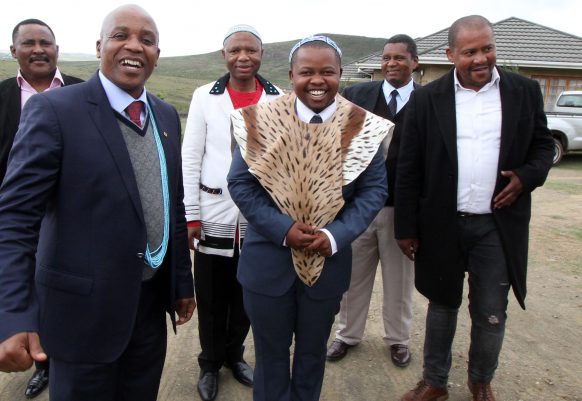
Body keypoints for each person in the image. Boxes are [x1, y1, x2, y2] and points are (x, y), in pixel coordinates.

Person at [0, 5, 196, 401]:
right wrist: (9, 316)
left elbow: (171, 204)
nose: (134, 46)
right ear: (100, 46)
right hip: (80, 316)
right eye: (121, 36)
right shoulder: (56, 111)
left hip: (147, 312)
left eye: (147, 40)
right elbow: (12, 222)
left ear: (157, 55)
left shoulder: (165, 116)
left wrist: (182, 281)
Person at [395, 15, 553, 401]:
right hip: (442, 225)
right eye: (470, 52)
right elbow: (408, 165)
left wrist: (527, 177)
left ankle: (481, 381)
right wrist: (406, 226)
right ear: (450, 55)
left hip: (497, 227)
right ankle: (435, 381)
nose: (481, 58)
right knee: (442, 304)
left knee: (490, 310)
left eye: (488, 48)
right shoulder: (427, 98)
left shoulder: (524, 91)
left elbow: (544, 146)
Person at [227, 35, 393, 401]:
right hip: (267, 264)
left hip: (328, 265)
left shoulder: (363, 126)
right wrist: (283, 229)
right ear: (291, 75)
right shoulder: (259, 120)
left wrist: (335, 235)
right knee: (269, 359)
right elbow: (240, 183)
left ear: (340, 75)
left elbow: (374, 191)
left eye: (327, 72)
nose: (317, 80)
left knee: (312, 356)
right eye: (307, 72)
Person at [0, 19, 83, 399]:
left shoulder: (81, 91)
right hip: (19, 221)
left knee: (63, 291)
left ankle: (68, 357)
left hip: (70, 222)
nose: (39, 49)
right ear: (13, 51)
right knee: (29, 291)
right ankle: (43, 364)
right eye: (29, 43)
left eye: (46, 43)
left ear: (56, 49)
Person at [182, 24, 281, 401]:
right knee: (210, 296)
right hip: (213, 211)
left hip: (259, 217)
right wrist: (191, 215)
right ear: (224, 55)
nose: (244, 57)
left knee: (247, 295)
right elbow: (191, 157)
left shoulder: (279, 97)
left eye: (251, 50)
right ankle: (209, 363)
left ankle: (235, 356)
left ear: (261, 54)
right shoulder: (205, 96)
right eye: (235, 50)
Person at [327, 34, 419, 367]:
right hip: (359, 208)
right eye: (386, 58)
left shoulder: (426, 101)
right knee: (353, 277)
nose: (391, 64)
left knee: (400, 280)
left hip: (402, 211)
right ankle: (347, 335)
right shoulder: (357, 95)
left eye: (399, 58)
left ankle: (398, 339)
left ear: (414, 62)